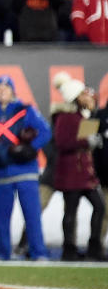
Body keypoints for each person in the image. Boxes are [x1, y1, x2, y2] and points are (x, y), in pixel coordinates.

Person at [0, 75, 52, 261]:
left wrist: (30, 148)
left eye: (6, 86)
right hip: (1, 172)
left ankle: (38, 252)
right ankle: (2, 253)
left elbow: (45, 132)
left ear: (13, 90)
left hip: (25, 171)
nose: (2, 90)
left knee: (32, 216)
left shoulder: (26, 111)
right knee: (1, 219)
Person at [50, 73, 106, 261]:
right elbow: (63, 142)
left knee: (99, 207)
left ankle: (94, 247)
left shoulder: (81, 115)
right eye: (82, 94)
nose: (86, 96)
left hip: (84, 174)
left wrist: (88, 134)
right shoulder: (65, 117)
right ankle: (69, 249)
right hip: (71, 173)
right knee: (71, 212)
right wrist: (85, 141)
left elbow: (86, 139)